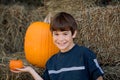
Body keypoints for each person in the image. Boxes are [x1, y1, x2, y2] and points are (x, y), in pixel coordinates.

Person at [11, 12, 104, 80]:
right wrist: (30, 70)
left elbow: (98, 77)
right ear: (51, 35)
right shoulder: (51, 62)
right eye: (56, 34)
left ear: (74, 34)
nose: (60, 39)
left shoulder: (85, 54)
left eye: (65, 34)